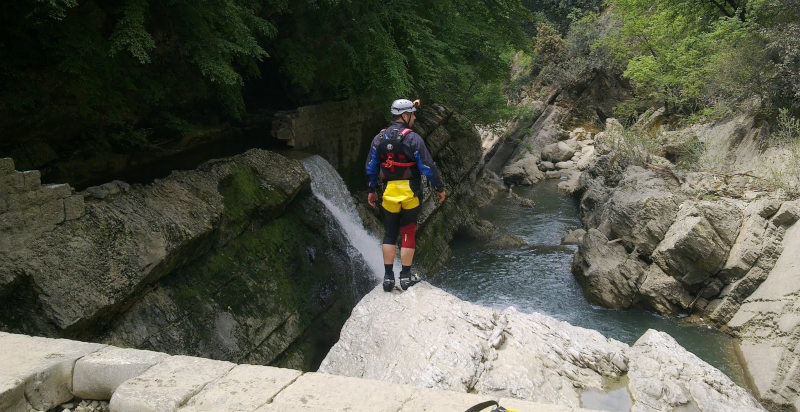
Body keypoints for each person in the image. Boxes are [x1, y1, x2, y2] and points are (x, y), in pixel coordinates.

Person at [365, 98, 446, 292]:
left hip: (389, 194)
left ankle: (387, 279)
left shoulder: (379, 138)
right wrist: (439, 188)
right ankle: (405, 277)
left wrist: (371, 190)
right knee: (408, 232)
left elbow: (371, 167)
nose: (415, 118)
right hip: (410, 194)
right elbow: (428, 167)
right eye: (412, 114)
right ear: (405, 116)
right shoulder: (413, 138)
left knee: (389, 234)